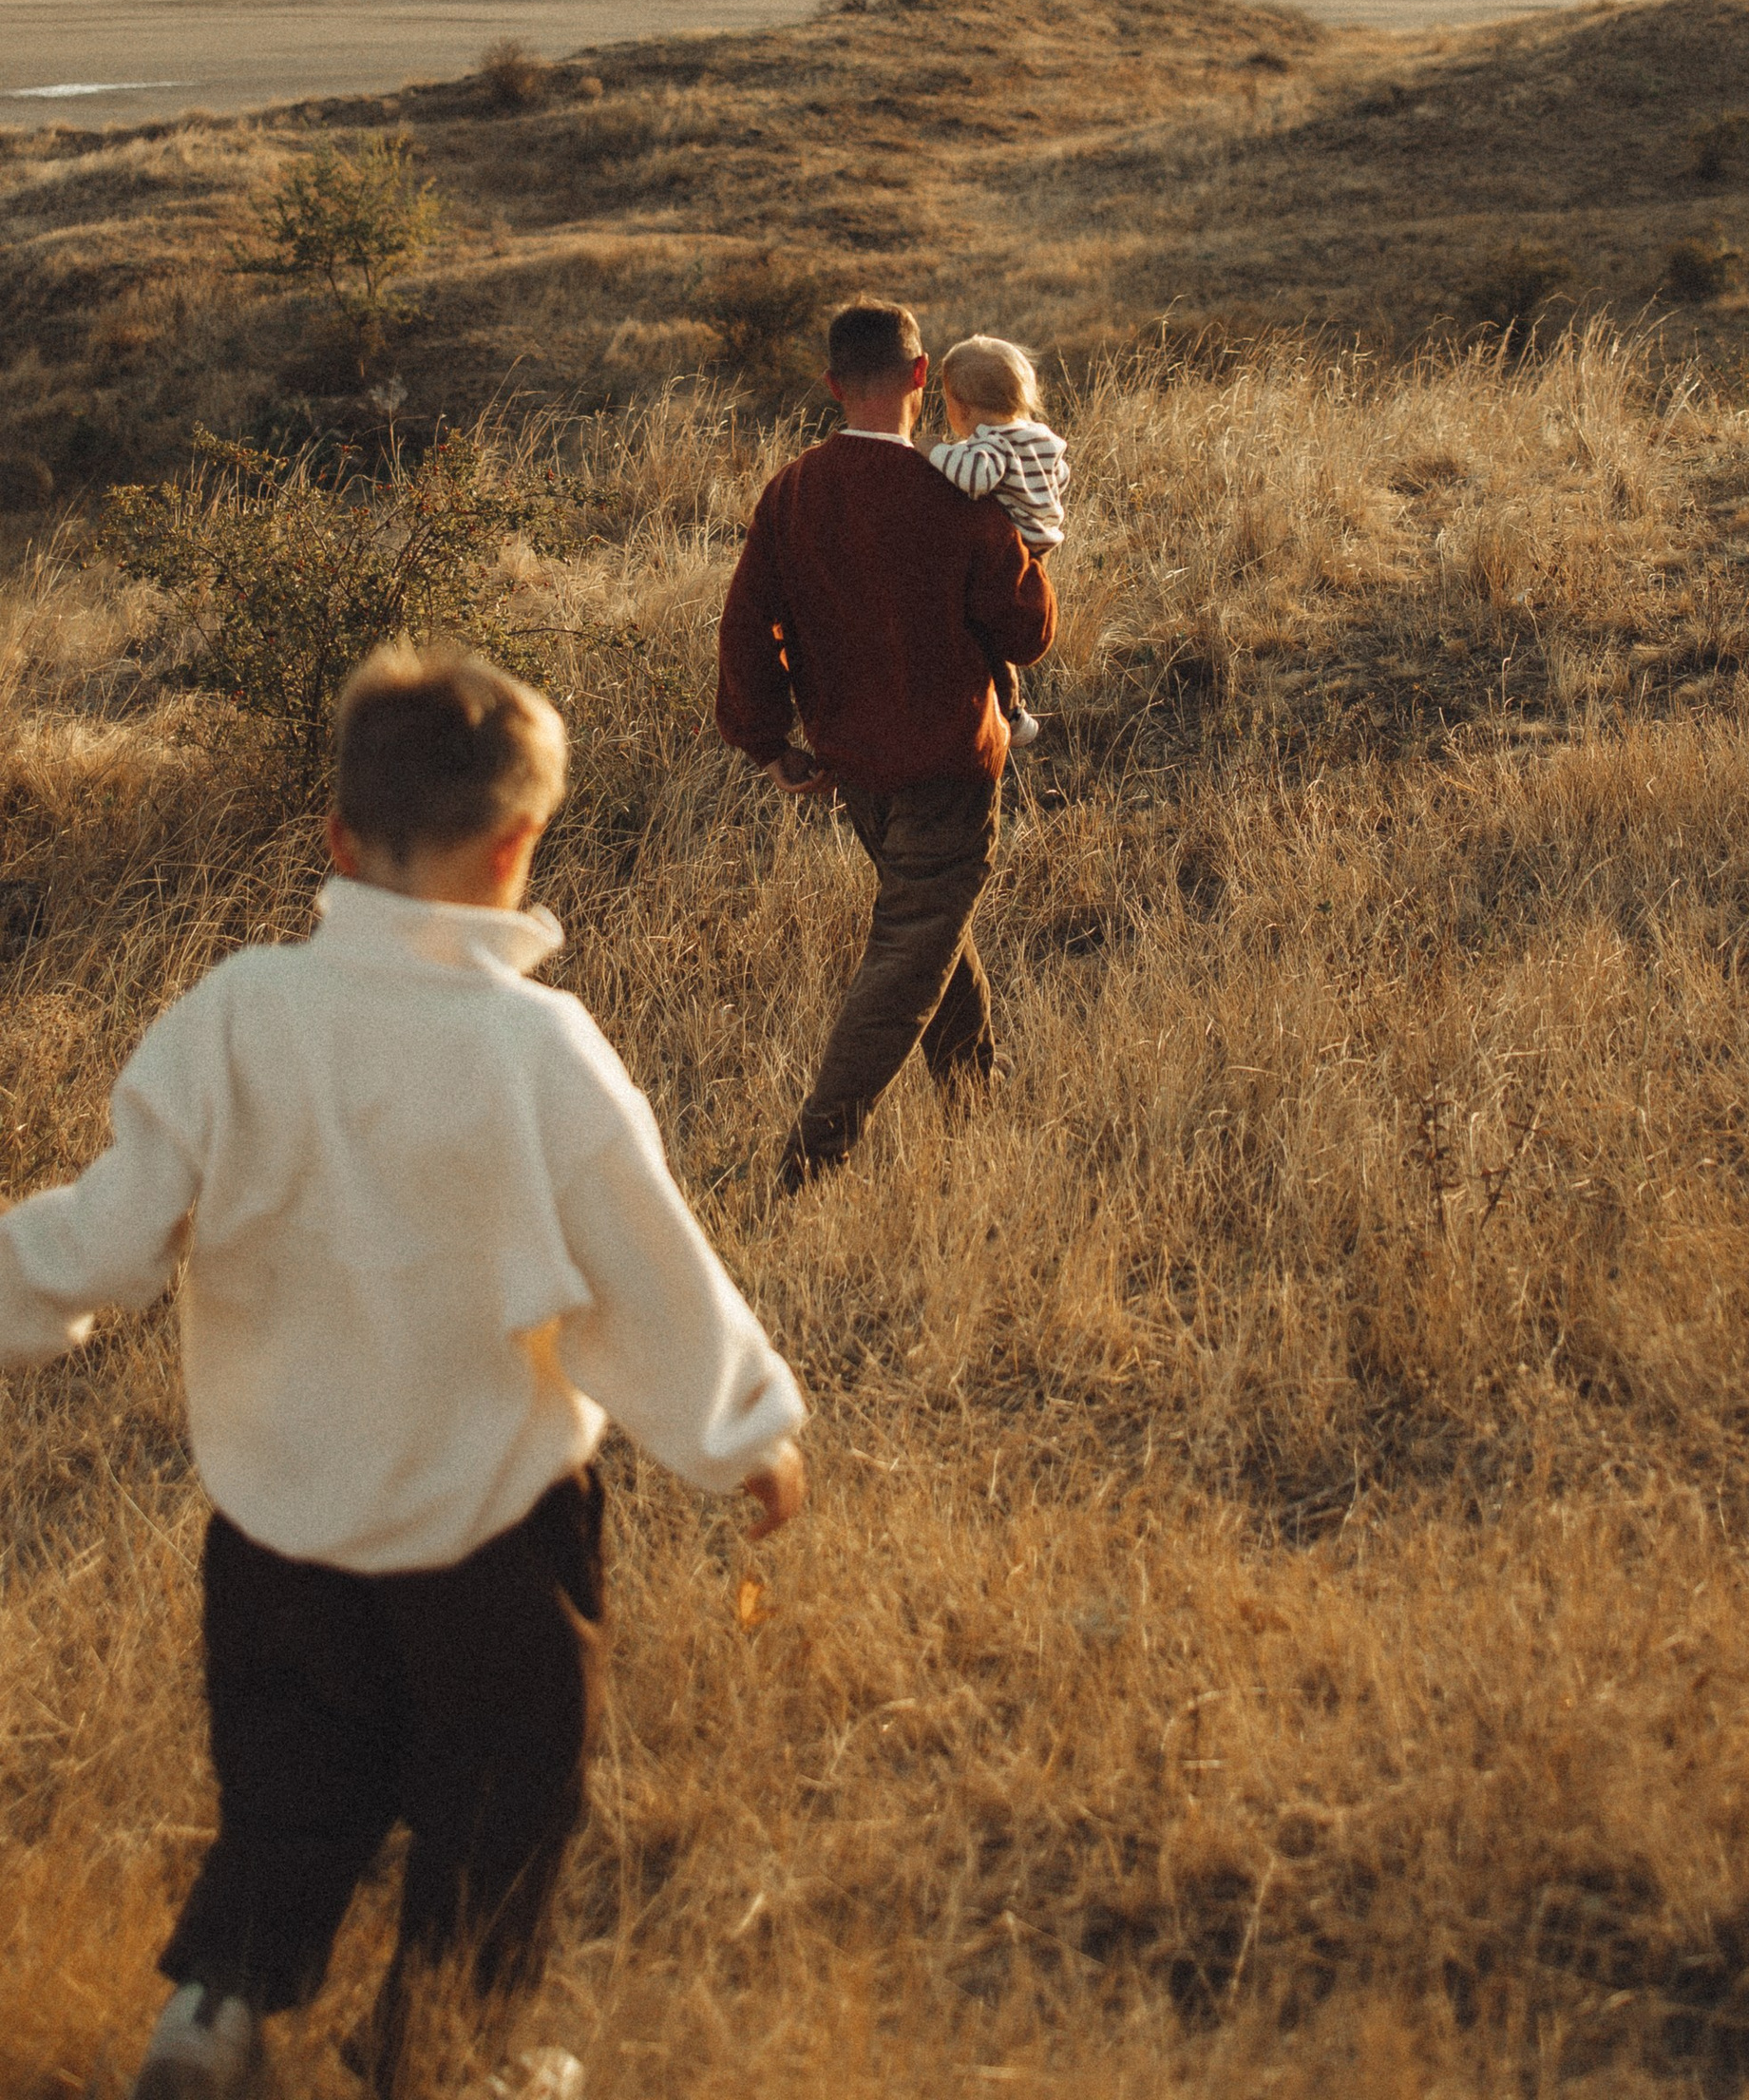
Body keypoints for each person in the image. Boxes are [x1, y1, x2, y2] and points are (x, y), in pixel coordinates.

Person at [0, 644, 807, 2100]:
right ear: (517, 847)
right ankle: (440, 2056)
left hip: (276, 1525)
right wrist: (741, 1427)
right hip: (487, 1528)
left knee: (290, 1782)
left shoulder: (239, 1013)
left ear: (336, 837)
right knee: (503, 1796)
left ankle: (214, 2013)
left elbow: (110, 1232)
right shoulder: (538, 1049)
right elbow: (645, 1271)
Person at [715, 296, 1055, 1188]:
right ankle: (812, 1158)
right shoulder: (956, 494)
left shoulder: (792, 492)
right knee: (911, 951)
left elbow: (745, 627)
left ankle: (976, 1103)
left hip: (854, 768)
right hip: (948, 765)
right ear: (921, 375)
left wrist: (769, 745)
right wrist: (1029, 550)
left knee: (931, 928)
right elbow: (1026, 634)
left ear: (832, 385)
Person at [927, 333, 1069, 752]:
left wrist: (934, 451)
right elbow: (1060, 476)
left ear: (961, 407)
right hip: (1040, 541)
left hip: (1012, 546)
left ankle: (1010, 714)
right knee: (1004, 621)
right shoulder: (1039, 435)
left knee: (986, 631)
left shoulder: (993, 443)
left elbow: (976, 478)